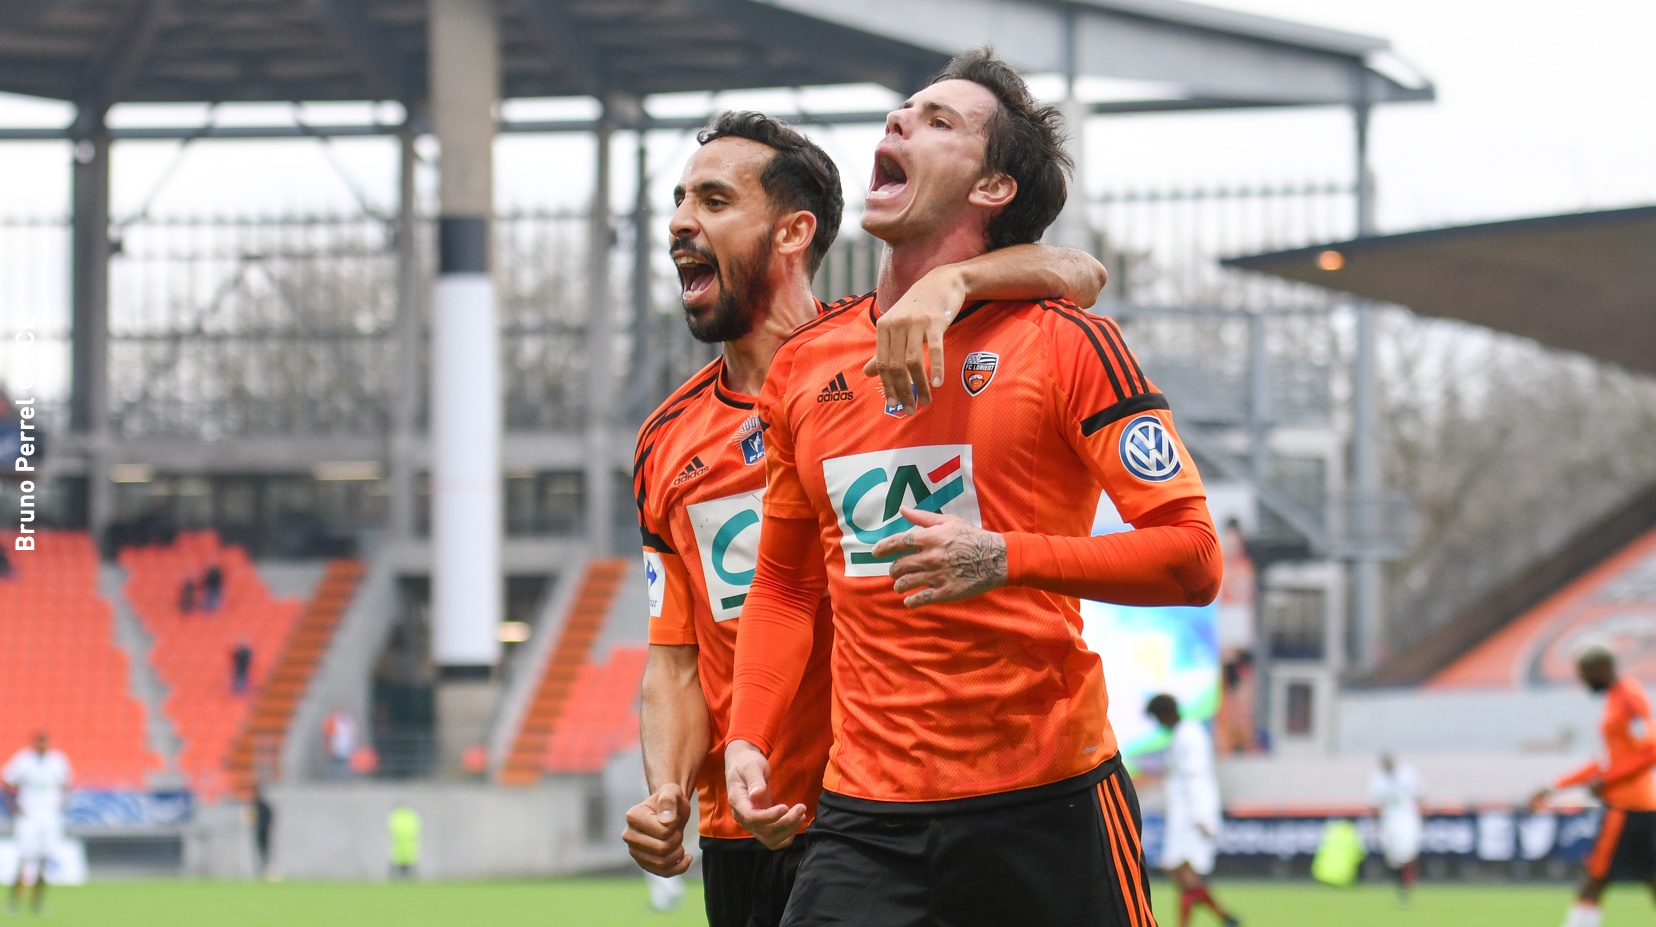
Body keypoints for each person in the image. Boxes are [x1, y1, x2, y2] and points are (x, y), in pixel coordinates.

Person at [724, 48, 1221, 927]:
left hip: (1048, 803)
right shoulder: (805, 367)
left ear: (993, 190)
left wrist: (1007, 558)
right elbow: (787, 579)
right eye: (902, 112)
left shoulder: (1066, 345)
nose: (898, 122)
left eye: (939, 121)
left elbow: (1194, 560)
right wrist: (749, 733)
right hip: (864, 818)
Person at [621, 109, 1107, 927]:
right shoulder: (666, 442)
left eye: (710, 199)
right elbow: (674, 658)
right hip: (750, 824)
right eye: (678, 200)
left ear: (792, 232)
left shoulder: (892, 353)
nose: (679, 223)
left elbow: (1079, 270)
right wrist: (667, 788)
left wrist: (955, 280)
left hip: (890, 807)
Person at [1529, 646, 1656, 927]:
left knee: (1595, 878)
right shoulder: (1615, 700)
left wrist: (1608, 781)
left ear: (1601, 669)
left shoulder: (1628, 697)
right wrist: (1554, 785)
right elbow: (1606, 761)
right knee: (1649, 877)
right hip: (1640, 806)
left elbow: (1650, 751)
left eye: (1584, 675)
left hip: (1627, 807)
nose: (1583, 682)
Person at [1147, 694, 1240, 927]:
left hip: (1192, 814)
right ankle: (1225, 917)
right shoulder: (1180, 735)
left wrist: (1202, 814)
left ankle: (1193, 923)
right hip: (1182, 813)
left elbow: (1197, 776)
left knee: (1184, 872)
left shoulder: (1191, 734)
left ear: (1165, 714)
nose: (1159, 725)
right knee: (1178, 872)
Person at [3, 733, 72, 917]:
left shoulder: (58, 761)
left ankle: (38, 901)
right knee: (24, 858)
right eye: (39, 742)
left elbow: (66, 785)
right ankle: (14, 900)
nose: (42, 745)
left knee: (44, 859)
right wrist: (14, 806)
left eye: (45, 742)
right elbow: (7, 782)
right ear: (35, 743)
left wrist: (61, 804)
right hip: (29, 816)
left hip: (49, 817)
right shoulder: (24, 760)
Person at [1368, 752, 1423, 906]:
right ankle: (1400, 886)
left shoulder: (1407, 774)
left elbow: (1421, 794)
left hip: (1406, 819)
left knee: (1407, 852)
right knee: (1393, 859)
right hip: (1389, 821)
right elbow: (1373, 803)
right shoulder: (1377, 779)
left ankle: (1406, 887)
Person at [387, 802, 421, 880]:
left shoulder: (395, 816)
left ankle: (401, 880)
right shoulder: (411, 816)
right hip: (408, 848)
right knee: (406, 867)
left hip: (399, 848)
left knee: (402, 867)